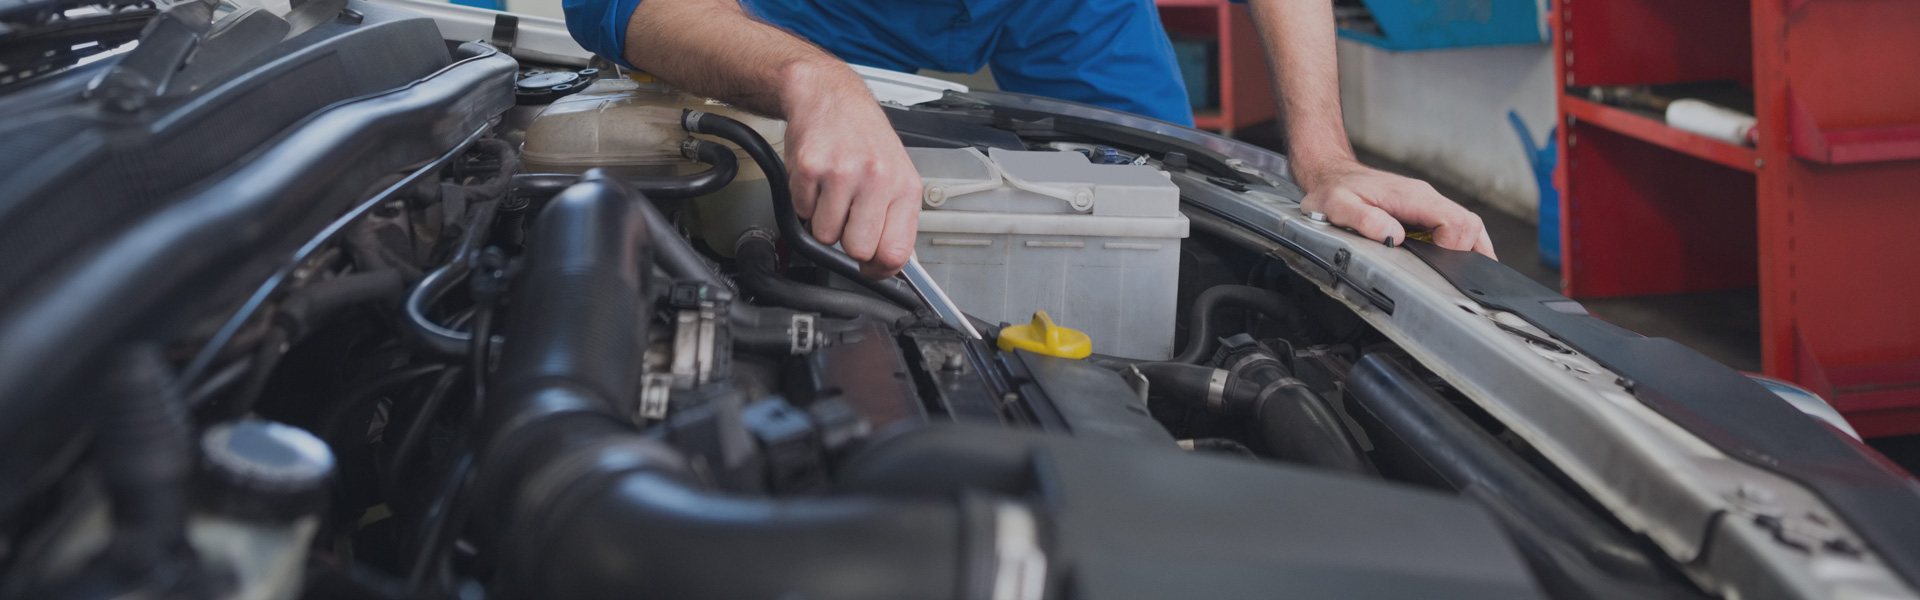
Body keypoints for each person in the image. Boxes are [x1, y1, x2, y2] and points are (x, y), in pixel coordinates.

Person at [562, 0, 1495, 278]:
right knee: (802, 210)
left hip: (1049, 9)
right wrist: (812, 81)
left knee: (1169, 207)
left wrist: (1325, 159)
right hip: (795, 15)